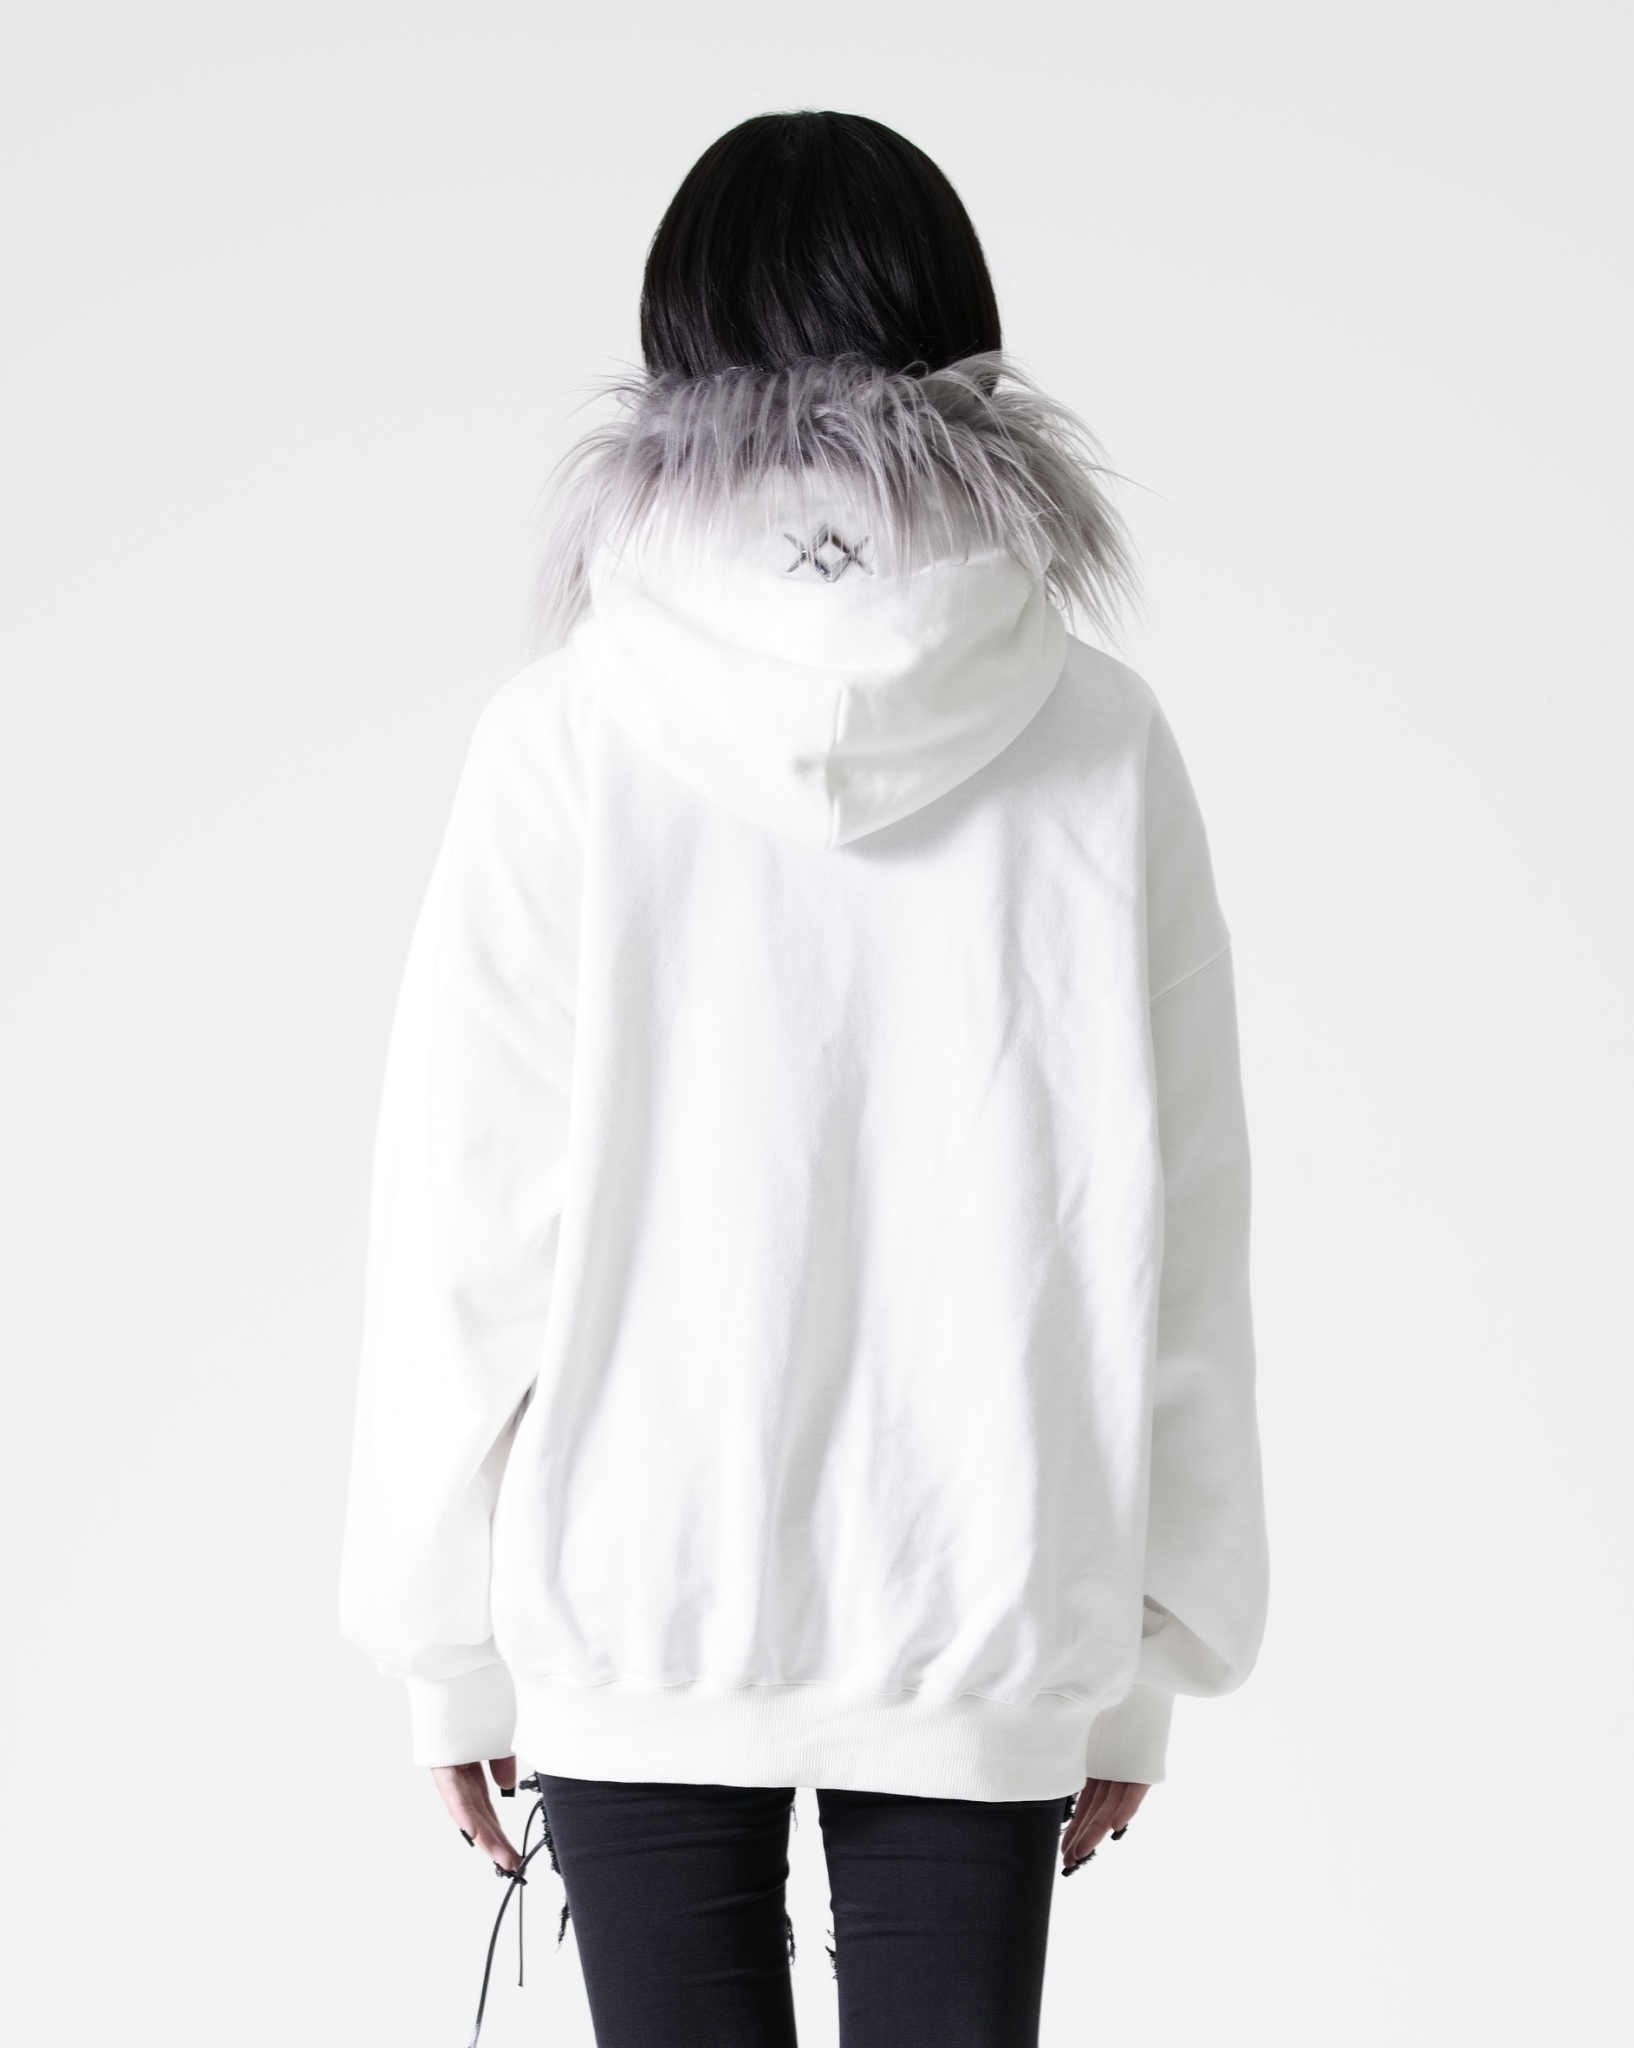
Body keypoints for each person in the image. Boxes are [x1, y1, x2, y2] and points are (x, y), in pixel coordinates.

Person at [340, 110, 1268, 2048]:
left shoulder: (561, 738)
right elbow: (1178, 1224)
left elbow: (463, 1225)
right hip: (989, 1591)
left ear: (676, 348)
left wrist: (449, 1649)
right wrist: (1137, 1657)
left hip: (633, 1599)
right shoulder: (1098, 740)